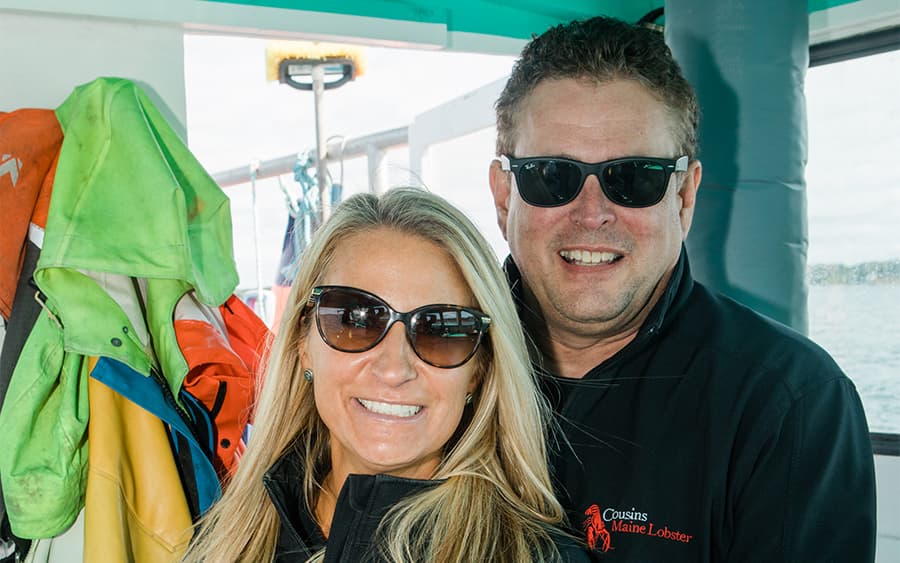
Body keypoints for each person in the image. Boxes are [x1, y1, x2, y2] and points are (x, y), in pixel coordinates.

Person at [488, 16, 876, 562]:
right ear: (505, 197)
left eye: (635, 178)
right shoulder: (430, 366)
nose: (593, 213)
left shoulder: (790, 403)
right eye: (553, 175)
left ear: (684, 197)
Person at [182, 187, 590, 562]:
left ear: (480, 368)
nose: (394, 368)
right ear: (303, 344)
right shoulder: (227, 538)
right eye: (355, 319)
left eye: (441, 330)